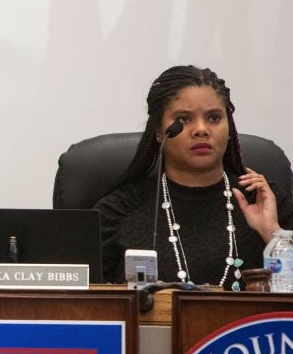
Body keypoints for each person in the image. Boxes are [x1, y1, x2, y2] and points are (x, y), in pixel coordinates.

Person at [95, 65, 293, 286]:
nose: (201, 129)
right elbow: (84, 305)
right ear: (159, 131)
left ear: (229, 129)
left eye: (214, 118)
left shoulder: (264, 200)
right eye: (184, 119)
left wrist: (273, 235)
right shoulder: (119, 211)